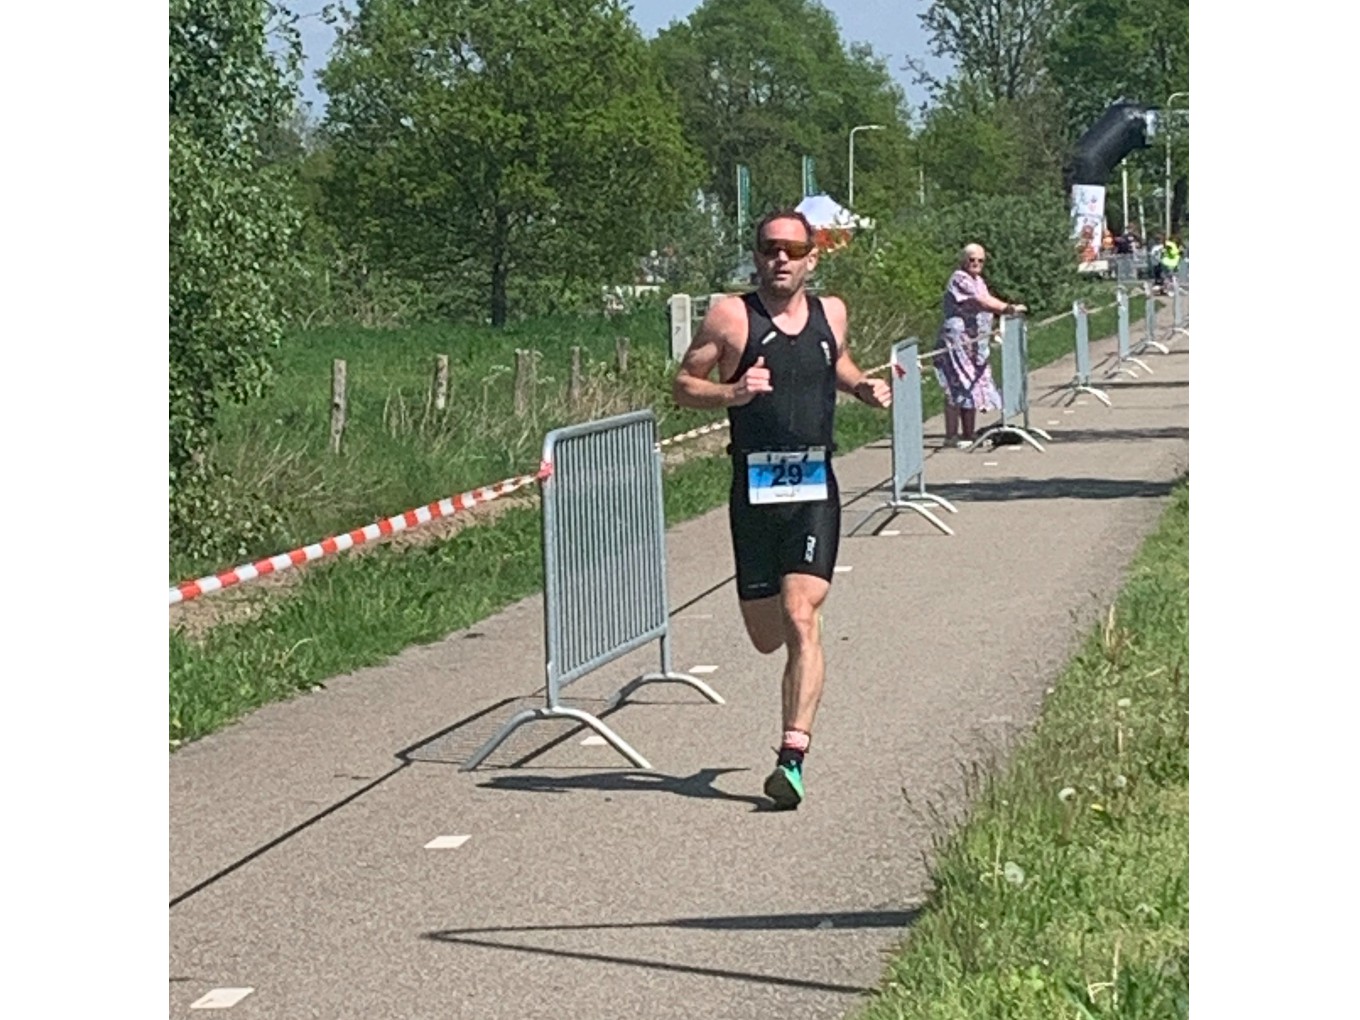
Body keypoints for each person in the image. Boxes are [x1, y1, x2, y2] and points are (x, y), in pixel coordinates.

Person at [671, 208, 891, 810]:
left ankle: (791, 758)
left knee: (801, 614)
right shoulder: (730, 316)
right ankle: (790, 731)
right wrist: (732, 393)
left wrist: (862, 386)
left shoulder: (832, 312)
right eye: (771, 248)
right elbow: (684, 385)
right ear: (757, 254)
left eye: (793, 249)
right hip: (755, 488)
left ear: (812, 257)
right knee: (766, 635)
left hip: (815, 484)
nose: (781, 259)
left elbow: (835, 360)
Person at [934, 244, 1027, 448]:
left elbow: (986, 298)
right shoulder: (960, 278)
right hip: (957, 342)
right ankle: (951, 436)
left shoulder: (979, 281)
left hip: (975, 343)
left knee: (972, 386)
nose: (976, 263)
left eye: (980, 260)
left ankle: (969, 434)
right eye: (971, 259)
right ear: (963, 260)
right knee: (956, 386)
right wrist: (1007, 308)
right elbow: (981, 302)